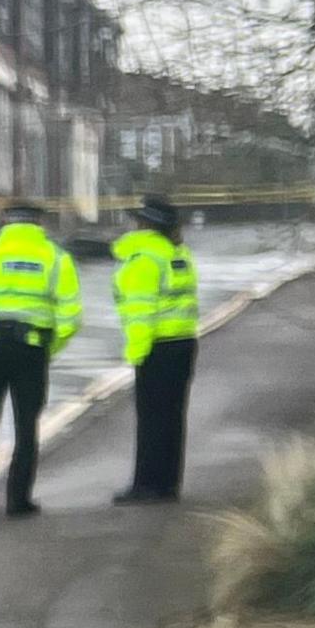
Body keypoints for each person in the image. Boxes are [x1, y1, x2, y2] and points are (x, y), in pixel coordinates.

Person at [0, 199, 82, 515]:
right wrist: (49, 347)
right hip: (31, 351)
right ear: (39, 222)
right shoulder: (55, 258)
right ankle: (18, 500)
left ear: (5, 221)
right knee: (26, 425)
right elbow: (70, 314)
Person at [113, 193, 203, 503]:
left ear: (144, 224)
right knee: (173, 418)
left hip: (157, 348)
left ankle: (145, 486)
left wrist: (137, 354)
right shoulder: (178, 256)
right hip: (183, 342)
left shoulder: (144, 259)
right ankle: (167, 485)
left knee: (150, 420)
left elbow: (140, 313)